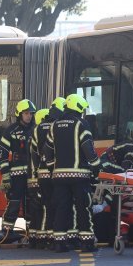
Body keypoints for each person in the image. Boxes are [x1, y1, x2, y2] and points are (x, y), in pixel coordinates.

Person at [43, 94, 101, 253]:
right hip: (79, 176)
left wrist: (51, 168)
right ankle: (87, 243)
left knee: (62, 208)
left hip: (59, 176)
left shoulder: (54, 125)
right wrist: (96, 166)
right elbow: (88, 149)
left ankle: (60, 243)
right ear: (78, 108)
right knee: (83, 207)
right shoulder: (81, 124)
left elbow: (47, 150)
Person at [0, 99, 36, 236]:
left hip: (32, 175)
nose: (29, 116)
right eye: (26, 113)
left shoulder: (35, 130)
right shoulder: (11, 131)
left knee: (31, 204)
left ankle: (31, 233)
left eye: (31, 113)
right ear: (19, 114)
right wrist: (5, 175)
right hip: (16, 175)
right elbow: (2, 155)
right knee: (14, 203)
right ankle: (7, 233)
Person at [26, 108, 50, 248]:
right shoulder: (43, 134)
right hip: (40, 177)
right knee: (44, 208)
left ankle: (33, 237)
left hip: (32, 178)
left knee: (35, 209)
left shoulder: (33, 134)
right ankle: (41, 238)